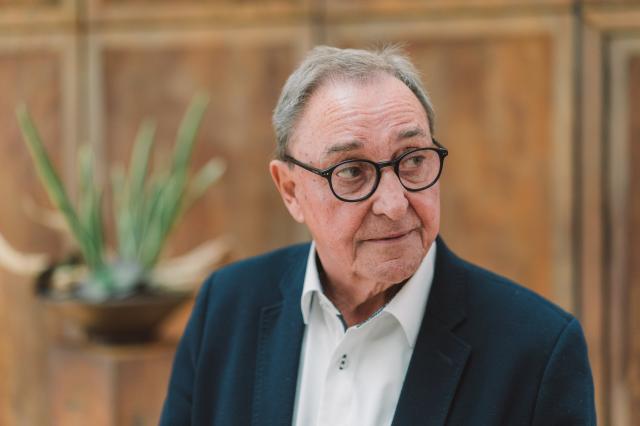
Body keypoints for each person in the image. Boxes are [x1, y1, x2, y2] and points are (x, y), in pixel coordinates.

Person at [160, 46, 595, 426]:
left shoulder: (537, 350)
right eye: (352, 171)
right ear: (290, 190)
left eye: (413, 160)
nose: (394, 203)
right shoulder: (226, 306)